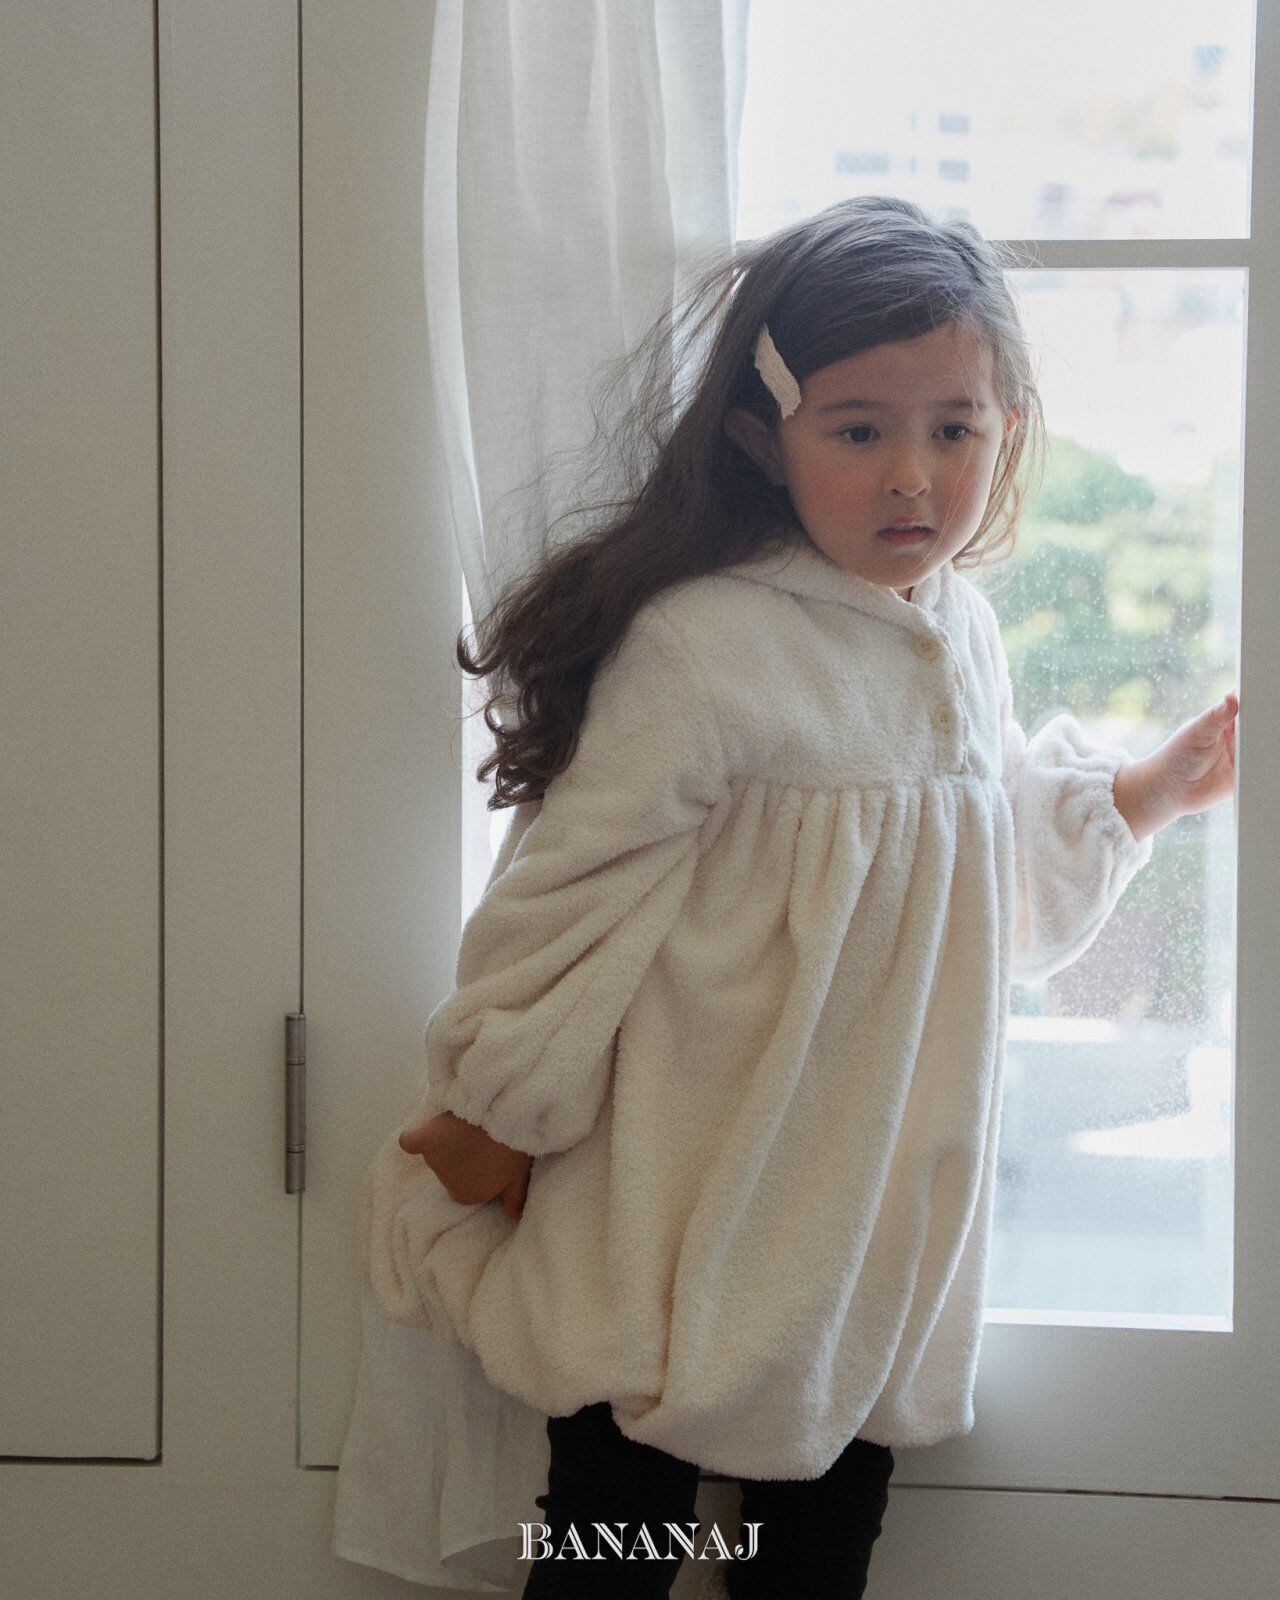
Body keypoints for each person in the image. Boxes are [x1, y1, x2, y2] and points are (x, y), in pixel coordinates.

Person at [367, 195, 1240, 1599]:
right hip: (676, 1200)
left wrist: (1142, 796)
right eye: (858, 430)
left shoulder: (961, 633)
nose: (914, 477)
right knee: (609, 1540)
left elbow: (982, 899)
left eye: (954, 429)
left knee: (816, 1557)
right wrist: (499, 1101)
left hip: (862, 1220)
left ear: (1009, 430)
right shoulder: (704, 648)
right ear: (759, 438)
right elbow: (569, 898)